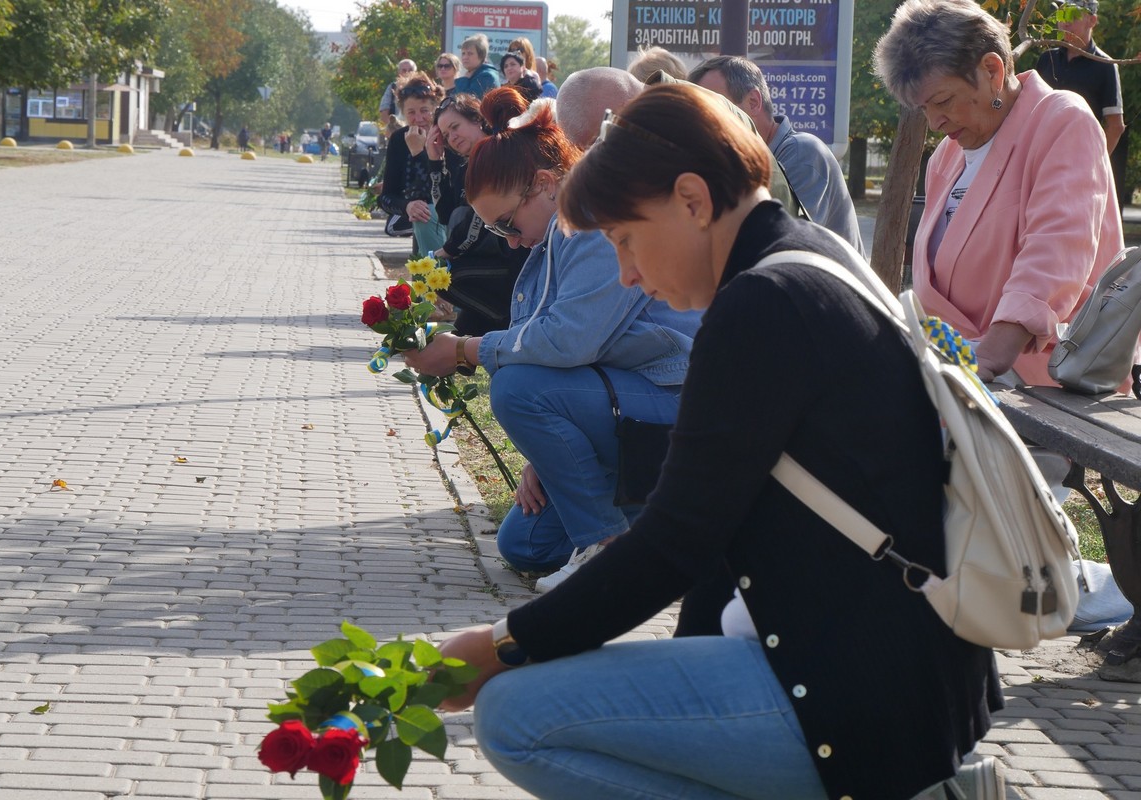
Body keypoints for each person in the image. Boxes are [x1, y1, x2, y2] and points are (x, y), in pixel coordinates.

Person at [435, 81, 1005, 800]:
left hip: (858, 694)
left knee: (516, 715)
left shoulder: (760, 306)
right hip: (901, 669)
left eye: (625, 238)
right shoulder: (810, 260)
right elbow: (714, 535)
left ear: (692, 201)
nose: (628, 273)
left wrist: (502, 646)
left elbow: (673, 543)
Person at [404, 88, 700, 590]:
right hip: (630, 400)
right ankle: (661, 525)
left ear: (544, 184)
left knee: (517, 389)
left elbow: (568, 342)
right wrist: (551, 454)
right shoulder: (561, 230)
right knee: (526, 545)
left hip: (679, 402)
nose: (511, 240)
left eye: (505, 225)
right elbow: (545, 339)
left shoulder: (593, 224)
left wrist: (462, 351)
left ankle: (611, 554)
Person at [874, 0, 1125, 386]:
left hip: (1045, 392)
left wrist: (990, 354)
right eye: (924, 109)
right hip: (964, 380)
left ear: (992, 70)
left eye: (942, 101)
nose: (935, 122)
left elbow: (1055, 249)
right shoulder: (946, 158)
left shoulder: (1062, 120)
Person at [555, 66, 801, 216]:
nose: (602, 162)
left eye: (600, 145)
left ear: (619, 116)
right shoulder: (666, 116)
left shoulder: (692, 122)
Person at [691, 55, 865, 255]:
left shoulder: (802, 154)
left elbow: (774, 245)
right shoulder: (756, 160)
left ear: (754, 102)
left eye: (715, 108)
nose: (707, 124)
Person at [425, 92, 530, 335]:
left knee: (448, 276)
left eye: (455, 127)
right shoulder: (467, 167)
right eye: (447, 135)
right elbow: (446, 215)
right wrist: (435, 163)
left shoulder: (497, 152)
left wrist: (449, 250)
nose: (452, 137)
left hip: (513, 255)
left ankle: (508, 321)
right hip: (489, 256)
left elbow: (482, 217)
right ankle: (495, 326)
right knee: (460, 337)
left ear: (477, 119)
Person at [1034, 0, 1128, 212]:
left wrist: (1093, 164)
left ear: (1092, 21)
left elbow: (1115, 126)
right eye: (1061, 16)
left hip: (1079, 167)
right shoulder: (1045, 59)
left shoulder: (1106, 65)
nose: (1065, 23)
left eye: (1073, 17)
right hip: (1040, 161)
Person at [378, 74, 448, 255]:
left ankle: (438, 274)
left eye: (424, 110)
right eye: (411, 112)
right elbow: (386, 197)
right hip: (418, 218)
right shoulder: (399, 139)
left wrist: (418, 153)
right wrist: (406, 206)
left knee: (427, 213)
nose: (418, 118)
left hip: (450, 217)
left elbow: (438, 190)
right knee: (421, 214)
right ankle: (430, 276)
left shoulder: (448, 135)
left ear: (435, 108)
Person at [454, 34, 502, 99]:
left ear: (481, 56)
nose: (465, 57)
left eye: (470, 53)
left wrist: (464, 80)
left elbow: (467, 103)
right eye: (463, 53)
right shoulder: (474, 74)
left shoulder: (486, 76)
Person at [379, 59, 417, 126]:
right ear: (399, 72)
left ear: (415, 72)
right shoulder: (392, 87)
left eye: (410, 70)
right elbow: (384, 112)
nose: (407, 72)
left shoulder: (422, 87)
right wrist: (393, 129)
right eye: (404, 70)